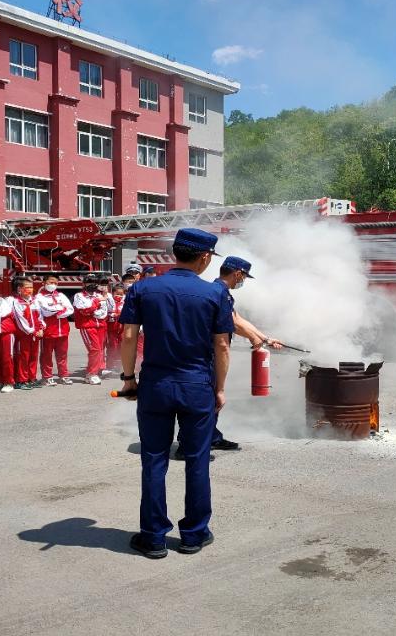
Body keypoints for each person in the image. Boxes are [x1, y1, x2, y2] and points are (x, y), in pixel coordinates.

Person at [117, 228, 233, 559]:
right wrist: (220, 389)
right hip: (197, 385)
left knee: (153, 459)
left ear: (174, 253)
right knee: (197, 460)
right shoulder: (215, 294)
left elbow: (128, 336)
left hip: (156, 384)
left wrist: (128, 379)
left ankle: (153, 537)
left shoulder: (142, 287)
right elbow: (222, 344)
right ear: (205, 257)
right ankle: (194, 535)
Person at [172, 255, 284, 459]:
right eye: (244, 277)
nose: (243, 282)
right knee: (207, 398)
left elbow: (237, 319)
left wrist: (264, 338)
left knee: (210, 398)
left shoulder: (221, 292)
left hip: (208, 354)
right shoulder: (218, 292)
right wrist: (253, 338)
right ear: (238, 273)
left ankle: (211, 437)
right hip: (208, 354)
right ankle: (187, 444)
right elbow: (233, 323)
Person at [36, 276, 73, 386]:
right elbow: (46, 312)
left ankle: (64, 375)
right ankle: (47, 377)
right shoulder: (39, 297)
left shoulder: (61, 295)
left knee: (62, 355)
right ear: (44, 283)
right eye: (51, 282)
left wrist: (56, 312)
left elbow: (70, 309)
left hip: (63, 330)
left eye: (56, 282)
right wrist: (61, 309)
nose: (53, 284)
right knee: (46, 355)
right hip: (48, 331)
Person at [73, 273, 110, 385]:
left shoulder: (99, 295)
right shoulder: (79, 296)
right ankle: (91, 374)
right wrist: (97, 303)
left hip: (101, 325)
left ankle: (96, 370)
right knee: (94, 350)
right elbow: (85, 311)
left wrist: (105, 297)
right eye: (89, 282)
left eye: (94, 282)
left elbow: (104, 311)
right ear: (84, 284)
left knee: (99, 350)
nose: (92, 284)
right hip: (88, 326)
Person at [11, 277, 43, 390]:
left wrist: (41, 328)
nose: (30, 289)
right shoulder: (16, 302)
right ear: (20, 289)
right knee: (23, 357)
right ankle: (21, 380)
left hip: (35, 335)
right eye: (27, 287)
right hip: (23, 335)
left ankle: (31, 378)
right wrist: (32, 331)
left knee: (33, 356)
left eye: (31, 287)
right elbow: (20, 320)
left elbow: (39, 316)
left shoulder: (34, 301)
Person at [0, 283, 17, 393]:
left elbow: (1, 315)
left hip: (6, 332)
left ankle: (9, 382)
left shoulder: (2, 301)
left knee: (7, 358)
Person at [105, 283, 126, 373]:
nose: (119, 296)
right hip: (111, 329)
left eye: (121, 294)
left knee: (122, 347)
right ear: (112, 293)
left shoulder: (125, 303)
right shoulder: (109, 302)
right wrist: (112, 315)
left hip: (122, 329)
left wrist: (119, 314)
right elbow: (105, 313)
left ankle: (120, 365)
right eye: (117, 294)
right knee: (112, 347)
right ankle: (110, 365)